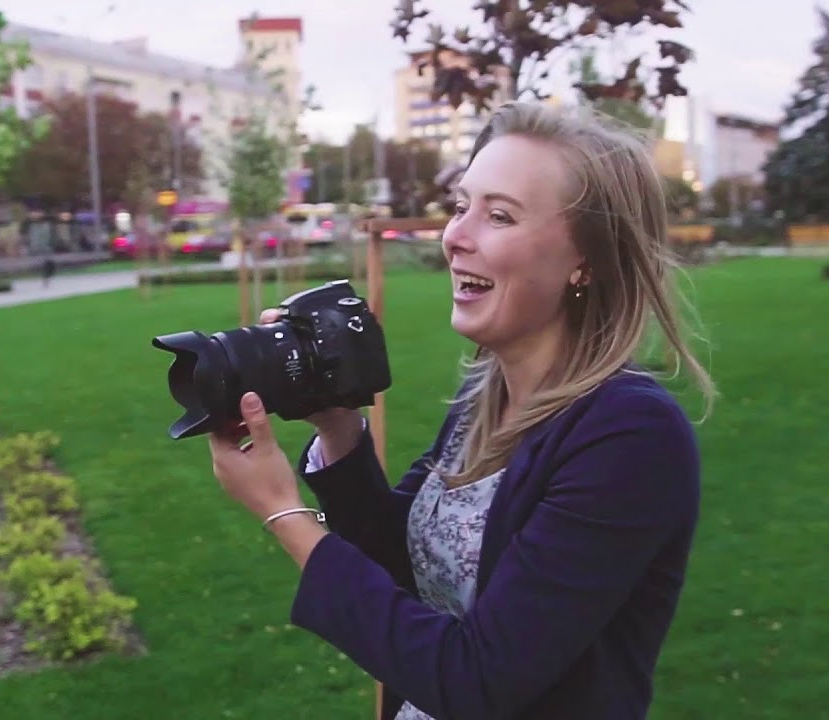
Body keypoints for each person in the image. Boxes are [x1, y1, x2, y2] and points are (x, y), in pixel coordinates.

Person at [207, 100, 716, 720]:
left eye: (498, 215)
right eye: (460, 206)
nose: (455, 236)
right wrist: (336, 425)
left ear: (585, 259)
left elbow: (479, 680)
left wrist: (283, 513)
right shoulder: (489, 389)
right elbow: (407, 567)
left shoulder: (630, 436)